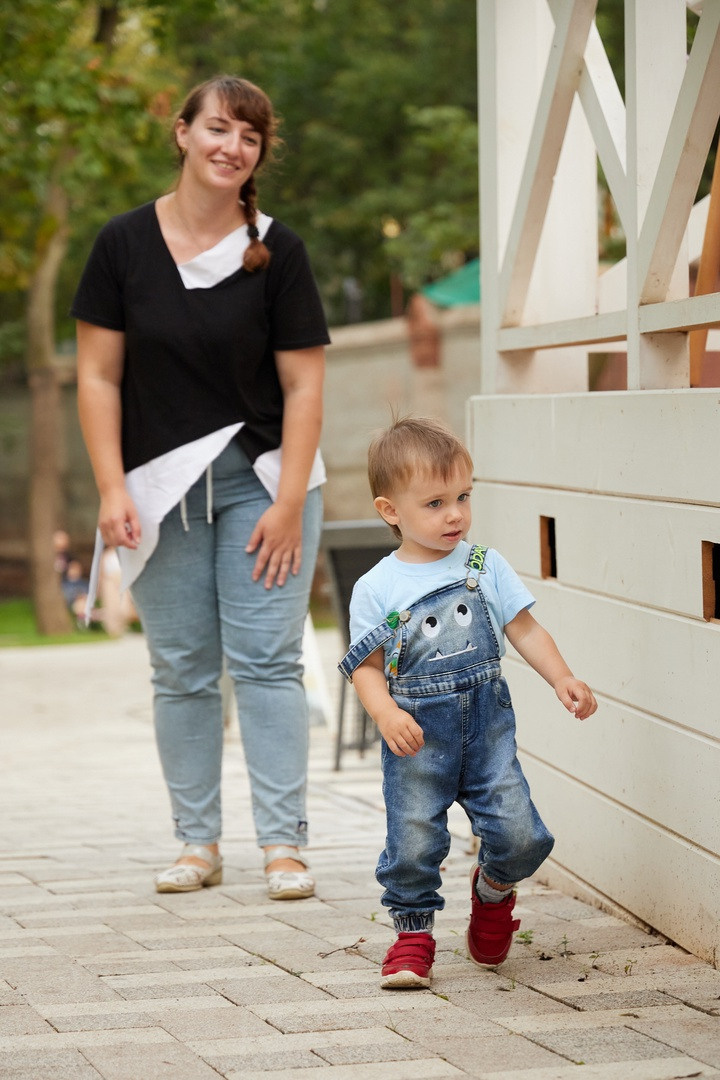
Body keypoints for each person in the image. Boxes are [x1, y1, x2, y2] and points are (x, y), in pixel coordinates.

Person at [72, 75, 329, 900]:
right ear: (182, 133)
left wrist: (290, 502)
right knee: (180, 667)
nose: (232, 147)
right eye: (218, 128)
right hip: (158, 487)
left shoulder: (278, 250)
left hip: (264, 482)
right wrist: (111, 488)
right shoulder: (121, 246)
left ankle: (284, 846)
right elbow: (97, 377)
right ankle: (197, 844)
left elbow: (306, 388)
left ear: (259, 153)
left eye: (249, 137)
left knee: (266, 662)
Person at [339, 416, 597, 989]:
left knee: (523, 835)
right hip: (417, 735)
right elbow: (367, 668)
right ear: (391, 511)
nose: (455, 513)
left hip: (486, 728)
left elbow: (525, 630)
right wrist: (385, 713)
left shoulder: (484, 566)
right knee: (413, 840)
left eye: (463, 496)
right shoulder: (377, 588)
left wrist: (563, 678)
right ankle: (412, 937)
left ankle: (494, 889)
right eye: (434, 503)